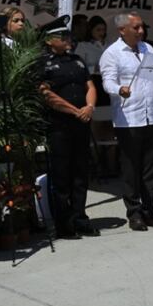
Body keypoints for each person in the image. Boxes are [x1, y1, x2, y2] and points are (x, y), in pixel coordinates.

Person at [99, 11, 153, 231]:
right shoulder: (112, 54)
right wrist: (119, 89)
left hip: (152, 116)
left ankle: (150, 210)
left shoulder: (148, 49)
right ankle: (134, 212)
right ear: (122, 30)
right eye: (136, 28)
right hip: (129, 119)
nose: (141, 31)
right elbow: (107, 82)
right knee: (131, 169)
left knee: (151, 168)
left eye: (142, 27)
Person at [38, 16, 99, 239]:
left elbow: (89, 84)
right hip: (59, 126)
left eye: (68, 36)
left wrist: (90, 106)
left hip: (81, 124)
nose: (67, 40)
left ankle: (80, 217)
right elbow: (46, 94)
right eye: (62, 37)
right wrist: (75, 110)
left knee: (81, 173)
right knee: (62, 175)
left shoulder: (77, 61)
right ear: (49, 41)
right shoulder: (43, 64)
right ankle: (65, 223)